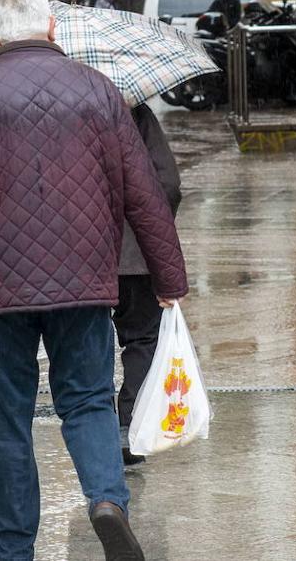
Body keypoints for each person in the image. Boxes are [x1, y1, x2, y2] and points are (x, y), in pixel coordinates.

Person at [0, 0, 188, 561]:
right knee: (87, 401)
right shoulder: (99, 91)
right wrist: (169, 280)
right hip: (85, 282)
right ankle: (107, 500)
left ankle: (13, 551)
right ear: (52, 25)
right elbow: (145, 195)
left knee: (6, 419)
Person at [116, 102, 182, 466]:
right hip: (137, 256)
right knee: (142, 340)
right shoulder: (134, 111)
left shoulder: (59, 111)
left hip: (81, 259)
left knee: (89, 343)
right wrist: (153, 228)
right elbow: (168, 183)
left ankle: (97, 429)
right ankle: (131, 427)